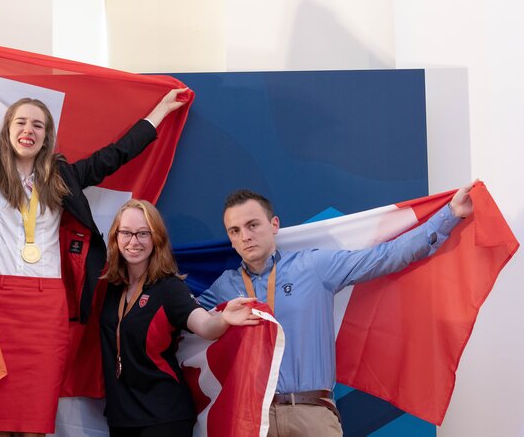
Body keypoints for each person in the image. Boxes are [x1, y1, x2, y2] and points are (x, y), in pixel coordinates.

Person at [0, 28, 189, 437]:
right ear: (8, 129)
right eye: (21, 122)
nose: (28, 129)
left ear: (46, 136)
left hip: (47, 306)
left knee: (35, 421)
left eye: (37, 124)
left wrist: (159, 112)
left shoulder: (63, 177)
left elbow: (117, 154)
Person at [197, 184, 475, 437]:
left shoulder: (313, 266)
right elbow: (181, 318)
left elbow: (385, 257)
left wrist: (450, 215)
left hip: (312, 415)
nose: (245, 236)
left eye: (253, 225)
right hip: (253, 420)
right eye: (235, 231)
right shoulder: (225, 287)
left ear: (274, 225)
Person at [100, 199, 261, 437]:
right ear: (115, 237)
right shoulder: (112, 288)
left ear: (156, 239)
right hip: (121, 417)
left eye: (143, 233)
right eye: (126, 233)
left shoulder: (169, 287)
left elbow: (205, 325)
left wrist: (224, 318)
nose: (133, 241)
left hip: (164, 417)